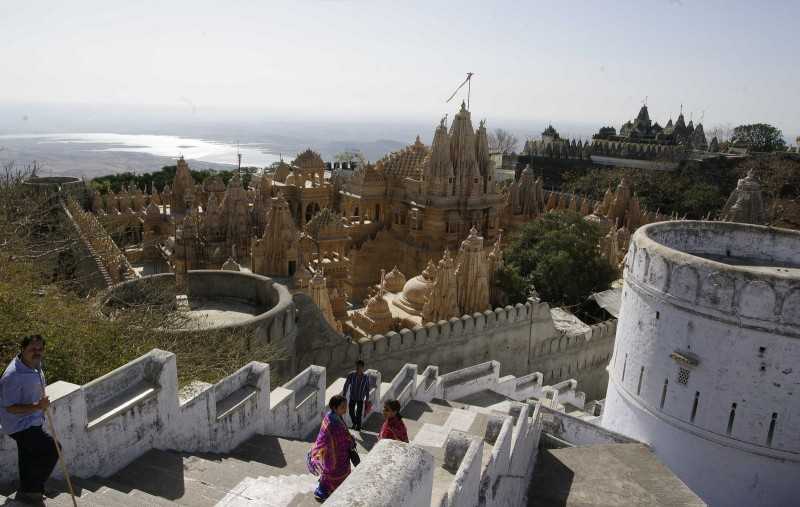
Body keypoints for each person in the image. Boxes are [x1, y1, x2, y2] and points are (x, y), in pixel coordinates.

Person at [0, 335, 59, 505]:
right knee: (53, 449)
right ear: (22, 349)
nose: (37, 352)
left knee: (28, 457)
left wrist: (38, 407)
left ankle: (27, 491)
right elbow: (9, 407)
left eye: (40, 349)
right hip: (19, 425)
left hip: (32, 420)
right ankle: (34, 490)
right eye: (33, 349)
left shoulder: (34, 363)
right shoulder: (12, 376)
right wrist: (37, 406)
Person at [308, 395, 355, 502]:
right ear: (334, 408)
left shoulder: (331, 416)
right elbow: (334, 439)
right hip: (333, 455)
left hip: (338, 455)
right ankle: (324, 491)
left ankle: (327, 489)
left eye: (345, 406)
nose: (345, 409)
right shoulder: (333, 423)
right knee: (333, 474)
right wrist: (350, 441)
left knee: (331, 475)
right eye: (343, 407)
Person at [341, 360, 370, 431]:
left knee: (359, 413)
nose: (358, 368)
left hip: (360, 398)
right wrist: (344, 395)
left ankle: (358, 427)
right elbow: (346, 385)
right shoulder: (351, 375)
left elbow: (367, 388)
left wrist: (367, 398)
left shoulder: (366, 377)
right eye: (357, 366)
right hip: (352, 397)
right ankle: (355, 423)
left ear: (362, 367)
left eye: (359, 367)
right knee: (351, 411)